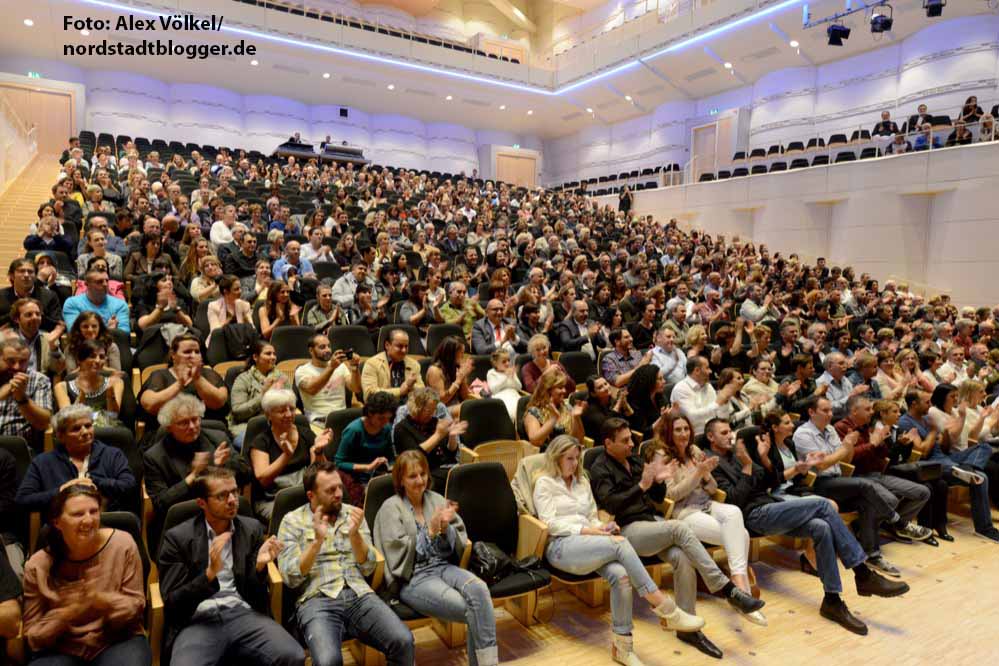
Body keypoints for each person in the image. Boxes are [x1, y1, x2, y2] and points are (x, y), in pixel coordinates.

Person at [705, 418, 909, 636]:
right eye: (724, 433)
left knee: (821, 527)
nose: (730, 436)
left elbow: (768, 482)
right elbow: (735, 500)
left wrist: (763, 459)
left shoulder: (739, 453)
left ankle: (832, 600)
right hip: (753, 516)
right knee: (823, 504)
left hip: (771, 506)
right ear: (710, 437)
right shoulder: (713, 463)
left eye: (730, 432)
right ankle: (862, 572)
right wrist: (747, 467)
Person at [589, 418, 764, 658]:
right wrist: (642, 485)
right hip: (625, 531)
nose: (632, 444)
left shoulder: (634, 461)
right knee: (680, 528)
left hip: (650, 524)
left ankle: (687, 627)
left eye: (631, 438)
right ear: (608, 443)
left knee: (682, 557)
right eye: (625, 440)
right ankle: (726, 588)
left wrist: (658, 481)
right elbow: (611, 504)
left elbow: (659, 498)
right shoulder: (600, 468)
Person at [534, 434, 705, 665]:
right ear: (556, 458)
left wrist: (602, 527)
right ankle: (665, 608)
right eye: (569, 459)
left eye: (576, 459)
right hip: (560, 546)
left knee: (621, 575)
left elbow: (591, 517)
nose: (574, 464)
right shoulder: (544, 483)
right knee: (621, 543)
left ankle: (622, 647)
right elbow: (550, 523)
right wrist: (591, 532)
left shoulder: (581, 481)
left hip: (589, 542)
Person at [157, 466, 305, 666]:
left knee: (293, 655)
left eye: (234, 492)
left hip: (242, 612)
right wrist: (209, 575)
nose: (233, 500)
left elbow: (254, 593)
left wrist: (259, 567)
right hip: (197, 620)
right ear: (202, 502)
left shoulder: (251, 529)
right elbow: (173, 602)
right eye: (222, 496)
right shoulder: (178, 538)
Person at [276, 460, 415, 666]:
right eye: (330, 490)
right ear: (311, 496)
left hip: (359, 594)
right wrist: (316, 542)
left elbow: (368, 566)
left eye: (339, 486)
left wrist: (355, 535)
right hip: (317, 599)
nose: (339, 493)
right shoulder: (291, 521)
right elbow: (290, 577)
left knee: (403, 641)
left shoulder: (353, 514)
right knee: (327, 661)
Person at [373, 450, 497, 666]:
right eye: (412, 476)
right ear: (400, 480)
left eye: (422, 474)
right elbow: (398, 557)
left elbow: (456, 542)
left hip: (444, 567)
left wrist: (446, 528)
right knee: (472, 610)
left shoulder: (436, 499)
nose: (420, 481)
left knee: (480, 590)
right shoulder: (390, 508)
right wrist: (429, 531)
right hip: (414, 578)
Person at [648, 413, 764, 623]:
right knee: (742, 535)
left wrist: (707, 475)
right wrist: (697, 474)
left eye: (686, 429)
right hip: (684, 513)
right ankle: (742, 591)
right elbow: (671, 495)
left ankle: (739, 584)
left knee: (734, 513)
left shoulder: (694, 451)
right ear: (668, 432)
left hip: (707, 504)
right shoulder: (661, 456)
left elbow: (713, 488)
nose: (684, 434)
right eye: (678, 430)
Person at [22, 483, 152, 664]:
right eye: (77, 514)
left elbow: (136, 609)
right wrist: (66, 615)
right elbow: (33, 638)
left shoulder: (123, 545)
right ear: (57, 522)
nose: (89, 520)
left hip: (116, 639)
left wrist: (103, 600)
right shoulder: (37, 566)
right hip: (61, 646)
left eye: (94, 511)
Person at [792, 397, 902, 574]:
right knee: (865, 485)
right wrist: (844, 448)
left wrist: (848, 447)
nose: (830, 414)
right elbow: (821, 465)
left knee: (867, 502)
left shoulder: (830, 430)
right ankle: (897, 521)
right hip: (817, 483)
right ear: (812, 412)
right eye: (825, 411)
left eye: (830, 410)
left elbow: (846, 460)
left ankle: (872, 555)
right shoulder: (803, 434)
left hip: (837, 480)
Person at [143, 395, 249, 540]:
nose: (192, 426)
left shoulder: (217, 438)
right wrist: (193, 476)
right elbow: (162, 503)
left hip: (223, 516)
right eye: (183, 423)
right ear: (169, 428)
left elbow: (246, 473)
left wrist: (222, 464)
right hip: (182, 525)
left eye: (195, 419)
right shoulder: (154, 457)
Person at [833, 396, 933, 542]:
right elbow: (847, 460)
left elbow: (884, 455)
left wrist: (894, 443)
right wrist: (872, 444)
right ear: (854, 411)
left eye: (871, 409)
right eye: (867, 409)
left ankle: (892, 526)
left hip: (877, 474)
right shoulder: (841, 428)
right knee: (890, 500)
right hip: (856, 477)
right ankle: (867, 527)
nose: (871, 412)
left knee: (923, 492)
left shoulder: (868, 427)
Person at [16, 404, 136, 514]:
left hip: (106, 522)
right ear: (60, 436)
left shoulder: (112, 454)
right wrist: (62, 491)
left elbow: (129, 486)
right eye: (76, 428)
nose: (85, 432)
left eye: (88, 426)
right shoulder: (43, 462)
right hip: (60, 526)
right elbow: (23, 500)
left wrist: (94, 481)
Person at [249, 388, 332, 521]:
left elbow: (320, 473)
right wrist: (286, 455)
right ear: (268, 415)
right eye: (282, 411)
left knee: (329, 513)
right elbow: (263, 480)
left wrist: (318, 452)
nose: (289, 414)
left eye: (292, 409)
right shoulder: (261, 442)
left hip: (305, 494)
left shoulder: (306, 434)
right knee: (298, 522)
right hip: (273, 500)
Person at [139, 334, 228, 424]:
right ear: (173, 354)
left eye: (197, 352)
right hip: (168, 428)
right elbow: (149, 405)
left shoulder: (209, 374)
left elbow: (219, 402)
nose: (193, 355)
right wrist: (179, 384)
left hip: (206, 427)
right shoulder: (160, 375)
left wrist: (197, 378)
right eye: (187, 352)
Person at [392, 389, 466, 490]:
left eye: (434, 410)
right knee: (455, 480)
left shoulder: (435, 422)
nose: (432, 414)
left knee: (468, 475)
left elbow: (450, 454)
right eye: (428, 410)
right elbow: (413, 457)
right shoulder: (402, 428)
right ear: (416, 408)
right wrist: (438, 435)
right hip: (421, 474)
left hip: (444, 469)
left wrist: (452, 436)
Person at [333, 391, 398, 506]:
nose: (385, 422)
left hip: (376, 475)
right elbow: (338, 463)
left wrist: (390, 467)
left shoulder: (386, 428)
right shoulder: (354, 430)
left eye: (388, 418)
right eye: (381, 418)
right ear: (370, 413)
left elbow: (391, 457)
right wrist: (367, 467)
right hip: (355, 479)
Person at [295, 334, 362, 431]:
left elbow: (356, 388)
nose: (327, 350)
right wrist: (331, 367)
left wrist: (355, 368)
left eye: (329, 346)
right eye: (322, 347)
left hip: (342, 419)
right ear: (311, 350)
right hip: (318, 423)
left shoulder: (341, 367)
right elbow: (312, 389)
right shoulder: (302, 371)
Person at [53, 340, 124, 428]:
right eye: (92, 356)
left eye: (101, 357)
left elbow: (113, 419)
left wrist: (110, 395)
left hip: (107, 434)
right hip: (78, 436)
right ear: (79, 360)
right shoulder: (61, 387)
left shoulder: (115, 383)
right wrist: (81, 397)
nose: (98, 361)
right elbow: (68, 421)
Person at [230, 341, 286, 450]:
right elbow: (238, 412)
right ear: (255, 357)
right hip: (248, 427)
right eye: (268, 354)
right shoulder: (243, 379)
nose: (273, 357)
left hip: (278, 424)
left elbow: (291, 405)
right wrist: (263, 395)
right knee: (265, 446)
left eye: (274, 353)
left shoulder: (281, 377)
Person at [0, 337, 53, 447]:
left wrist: (22, 398)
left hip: (18, 449)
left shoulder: (39, 380)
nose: (17, 367)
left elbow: (43, 423)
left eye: (23, 361)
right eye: (11, 361)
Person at [669, 357, 740, 436]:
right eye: (707, 368)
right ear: (697, 371)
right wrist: (718, 403)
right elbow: (692, 418)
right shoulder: (681, 389)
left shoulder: (708, 386)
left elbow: (722, 417)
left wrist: (725, 402)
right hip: (694, 435)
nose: (710, 371)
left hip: (713, 432)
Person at [523, 369, 585, 451]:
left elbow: (578, 440)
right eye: (560, 387)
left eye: (564, 387)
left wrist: (576, 418)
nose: (564, 391)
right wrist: (553, 419)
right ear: (548, 390)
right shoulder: (534, 412)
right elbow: (535, 442)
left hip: (568, 453)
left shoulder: (566, 407)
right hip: (546, 457)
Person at [360, 328, 424, 401]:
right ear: (387, 345)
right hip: (383, 409)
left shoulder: (413, 364)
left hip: (409, 408)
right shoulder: (372, 364)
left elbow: (422, 391)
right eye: (399, 346)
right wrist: (400, 391)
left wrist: (411, 387)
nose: (404, 350)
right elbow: (369, 395)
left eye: (406, 346)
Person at [62, 269, 131, 334]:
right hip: (83, 345)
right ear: (87, 284)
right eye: (99, 282)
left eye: (107, 281)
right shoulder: (72, 303)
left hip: (112, 344)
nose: (105, 284)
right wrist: (109, 330)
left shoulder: (120, 305)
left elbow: (124, 333)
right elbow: (74, 331)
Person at [9, 298, 64, 377]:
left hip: (40, 385)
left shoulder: (48, 337)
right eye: (29, 315)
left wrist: (53, 348)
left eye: (38, 314)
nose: (35, 317)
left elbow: (59, 369)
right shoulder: (7, 339)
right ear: (17, 319)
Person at [425, 335, 475, 414]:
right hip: (439, 411)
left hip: (456, 406)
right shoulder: (435, 371)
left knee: (475, 406)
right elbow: (441, 401)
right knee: (466, 409)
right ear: (451, 354)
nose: (463, 356)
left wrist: (463, 377)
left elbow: (465, 397)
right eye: (461, 353)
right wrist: (457, 381)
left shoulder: (456, 368)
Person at [485, 349, 522, 422]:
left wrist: (513, 376)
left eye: (508, 360)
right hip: (501, 398)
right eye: (504, 361)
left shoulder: (510, 371)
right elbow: (494, 390)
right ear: (495, 363)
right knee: (513, 414)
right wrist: (506, 376)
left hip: (514, 395)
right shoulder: (491, 373)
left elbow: (519, 387)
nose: (508, 363)